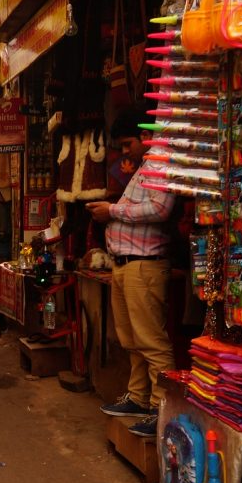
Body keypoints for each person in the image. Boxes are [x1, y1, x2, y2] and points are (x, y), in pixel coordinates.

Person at [86, 113, 176, 438]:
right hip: (126, 264)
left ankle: (162, 407)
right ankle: (140, 398)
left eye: (128, 144)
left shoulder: (161, 162)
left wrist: (112, 211)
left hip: (144, 264)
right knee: (133, 340)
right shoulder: (143, 167)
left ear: (144, 135)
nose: (125, 152)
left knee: (151, 341)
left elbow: (160, 209)